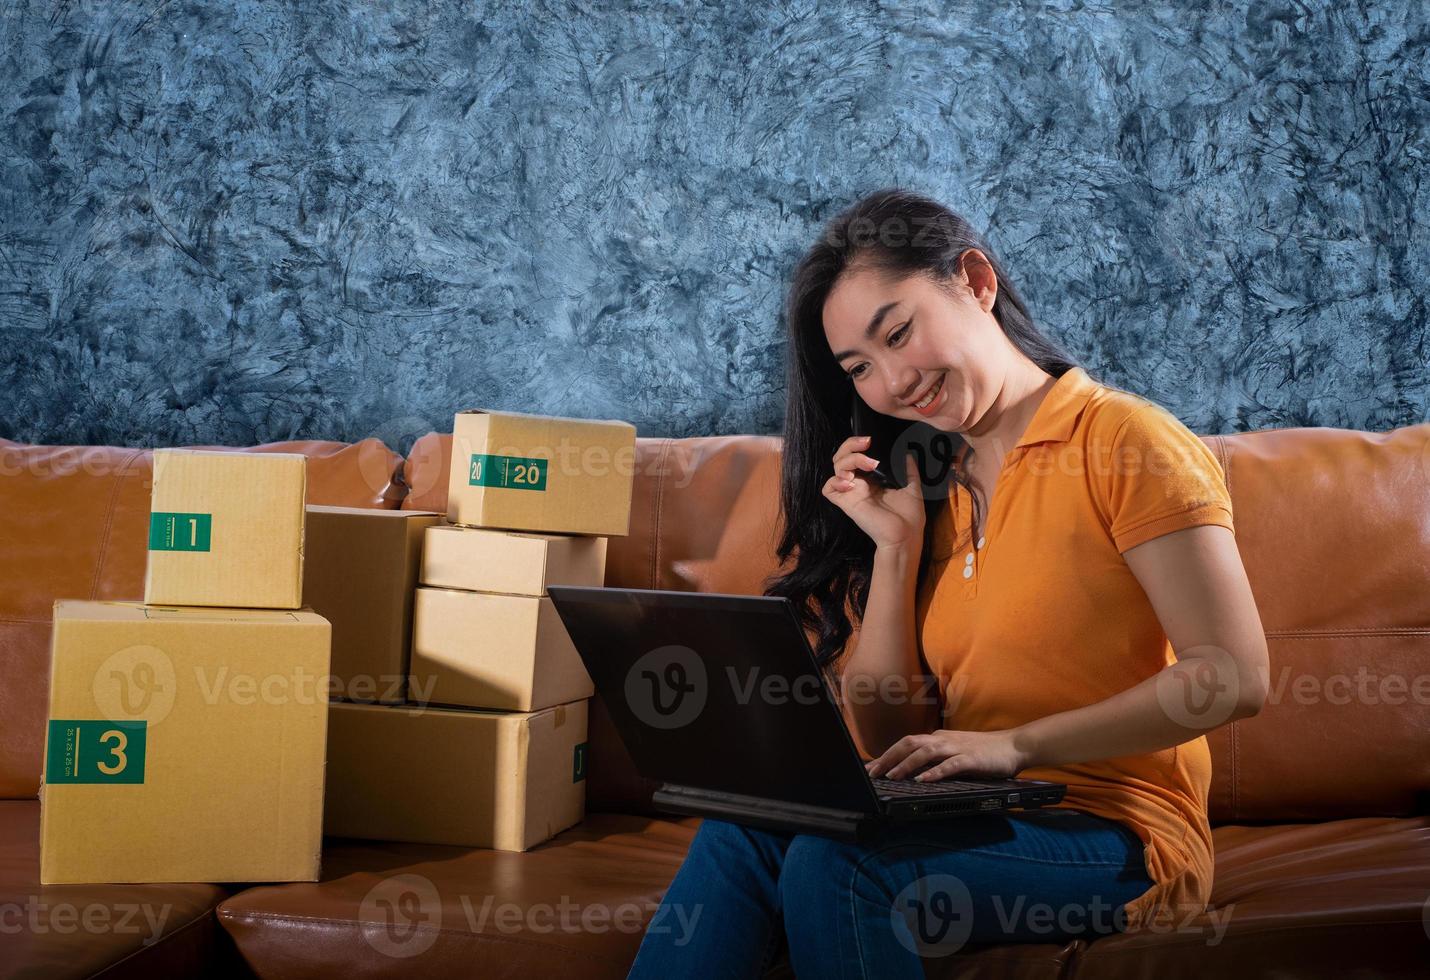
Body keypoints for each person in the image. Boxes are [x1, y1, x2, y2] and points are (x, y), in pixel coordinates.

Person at [627, 188, 1269, 978]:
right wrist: (894, 549)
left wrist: (1016, 746)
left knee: (843, 867)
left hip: (1115, 831)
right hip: (966, 814)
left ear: (975, 280)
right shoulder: (933, 481)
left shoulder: (1125, 441)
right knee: (742, 832)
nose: (894, 383)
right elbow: (889, 735)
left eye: (898, 332)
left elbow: (1233, 677)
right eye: (860, 367)